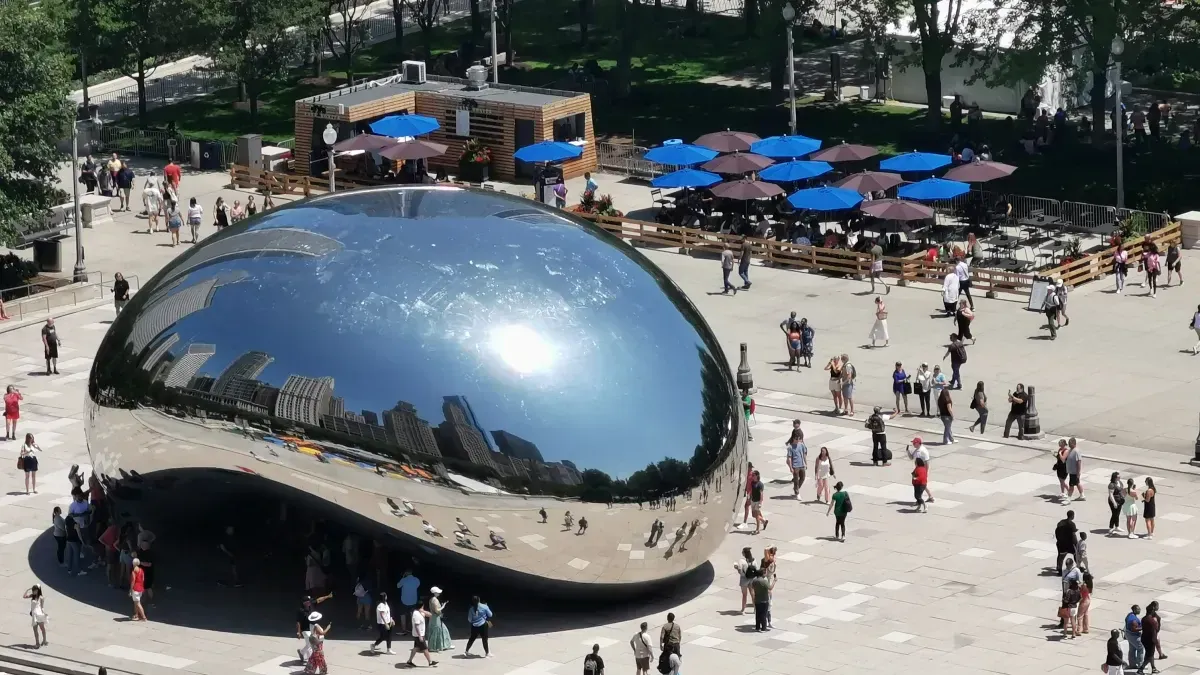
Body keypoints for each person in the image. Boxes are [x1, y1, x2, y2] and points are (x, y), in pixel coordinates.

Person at [406, 602, 437, 668]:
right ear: (422, 606)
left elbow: (430, 615)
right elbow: (416, 625)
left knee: (416, 648)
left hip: (419, 634)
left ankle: (409, 661)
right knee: (425, 649)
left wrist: (423, 611)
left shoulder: (420, 612)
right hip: (418, 635)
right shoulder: (416, 614)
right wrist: (420, 636)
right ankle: (430, 662)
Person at [1140, 601, 1165, 674]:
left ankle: (1153, 668)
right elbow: (1157, 629)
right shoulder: (1152, 621)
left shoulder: (1144, 618)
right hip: (1150, 640)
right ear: (1152, 611)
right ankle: (1141, 669)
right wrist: (1157, 622)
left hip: (1144, 638)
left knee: (1150, 654)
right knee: (1149, 655)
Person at [427, 586, 451, 652]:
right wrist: (443, 606)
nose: (439, 593)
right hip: (436, 618)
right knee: (436, 631)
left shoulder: (431, 599)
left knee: (442, 629)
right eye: (437, 592)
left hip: (434, 618)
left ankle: (444, 645)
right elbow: (436, 610)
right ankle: (433, 647)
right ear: (434, 593)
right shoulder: (434, 600)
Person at [1054, 510, 1078, 574]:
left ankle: (1059, 569)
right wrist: (1076, 543)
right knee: (1076, 554)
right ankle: (1078, 566)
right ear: (1072, 516)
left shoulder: (1060, 522)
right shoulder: (1072, 524)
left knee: (1060, 556)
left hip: (1061, 543)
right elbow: (1074, 535)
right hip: (1069, 544)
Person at [784, 429, 807, 497]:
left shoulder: (801, 445)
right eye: (796, 439)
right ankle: (797, 493)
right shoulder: (790, 447)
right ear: (793, 438)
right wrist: (791, 467)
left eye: (799, 438)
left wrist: (805, 463)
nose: (798, 440)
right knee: (796, 479)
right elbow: (789, 458)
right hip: (795, 466)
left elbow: (804, 454)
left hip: (802, 464)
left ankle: (796, 488)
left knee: (803, 478)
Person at [748, 567, 771, 632]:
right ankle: (763, 628)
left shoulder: (755, 580)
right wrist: (774, 581)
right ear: (763, 573)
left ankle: (757, 627)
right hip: (764, 600)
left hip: (757, 599)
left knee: (758, 614)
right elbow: (770, 588)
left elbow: (752, 587)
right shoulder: (764, 581)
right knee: (763, 614)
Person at [1125, 605, 1145, 670]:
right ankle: (1140, 665)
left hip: (1128, 634)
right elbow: (1134, 629)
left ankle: (1132, 664)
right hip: (1134, 636)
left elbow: (1126, 621)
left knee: (1132, 649)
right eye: (1138, 609)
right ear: (1134, 610)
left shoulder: (1129, 615)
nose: (1139, 610)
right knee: (1140, 648)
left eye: (1139, 609)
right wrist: (1143, 627)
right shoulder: (1134, 620)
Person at [749, 469, 767, 533]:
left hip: (757, 501)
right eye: (752, 475)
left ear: (757, 476)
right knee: (753, 515)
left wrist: (760, 502)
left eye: (753, 475)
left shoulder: (760, 484)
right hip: (753, 500)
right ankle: (764, 521)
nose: (752, 476)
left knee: (756, 516)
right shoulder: (752, 482)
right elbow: (752, 491)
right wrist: (750, 497)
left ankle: (757, 530)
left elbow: (761, 494)